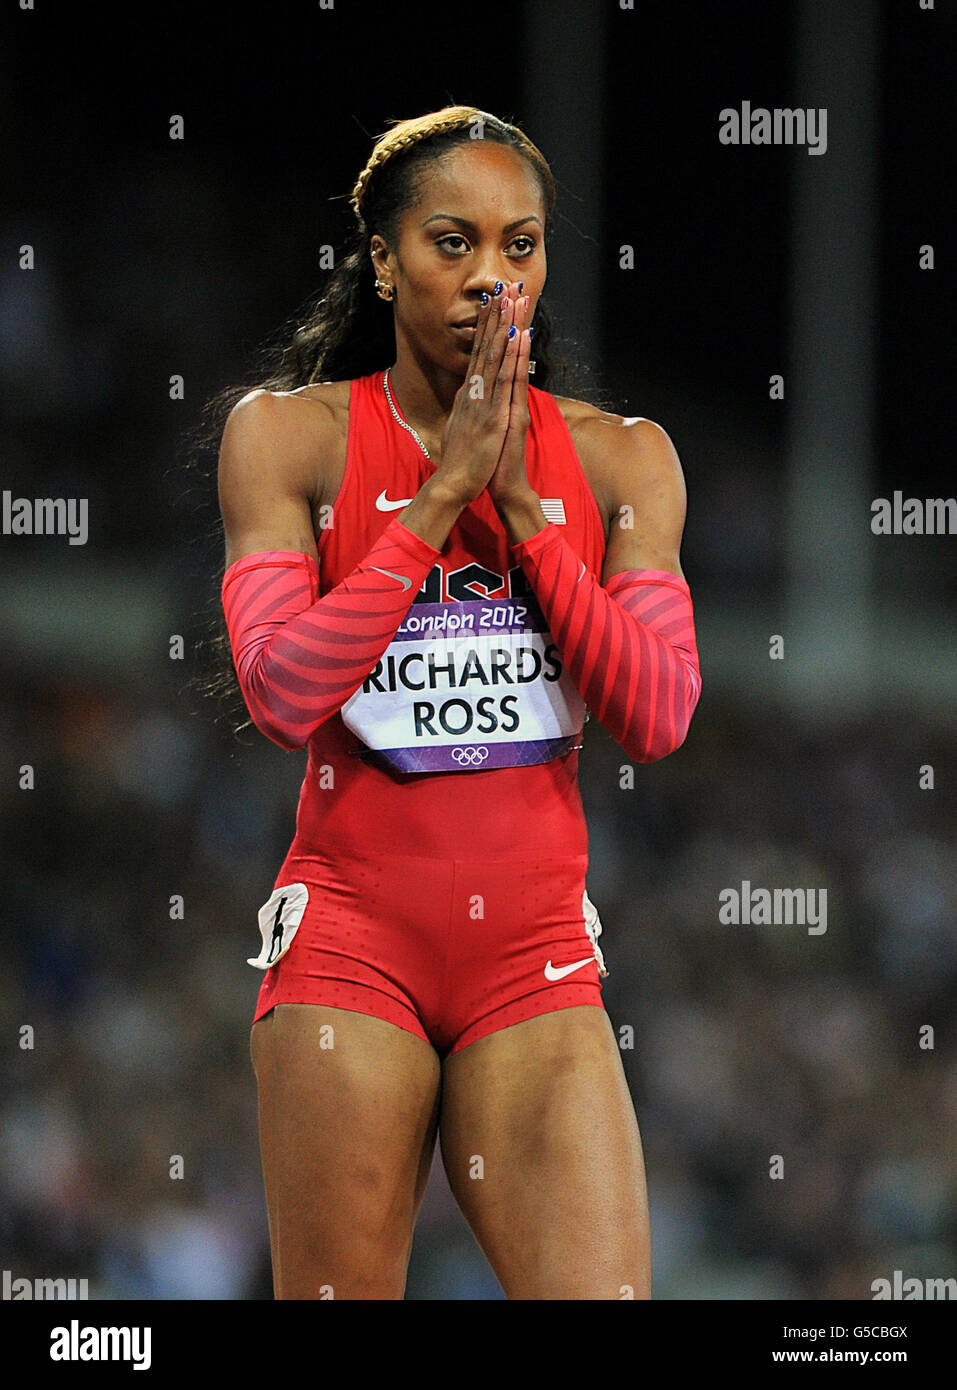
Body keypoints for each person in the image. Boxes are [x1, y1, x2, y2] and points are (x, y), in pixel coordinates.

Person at [216, 105, 702, 1300]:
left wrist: (529, 513)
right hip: (349, 947)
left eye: (521, 245)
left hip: (532, 959)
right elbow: (283, 690)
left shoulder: (622, 459)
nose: (493, 276)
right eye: (453, 241)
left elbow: (658, 711)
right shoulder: (289, 437)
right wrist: (437, 498)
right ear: (383, 258)